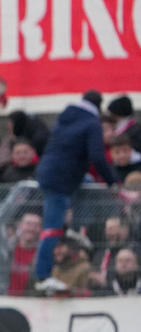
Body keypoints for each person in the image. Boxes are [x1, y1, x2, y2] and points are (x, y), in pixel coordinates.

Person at [35, 91, 121, 294]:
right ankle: (43, 275)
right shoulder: (91, 123)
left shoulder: (65, 118)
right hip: (62, 178)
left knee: (58, 219)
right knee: (52, 228)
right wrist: (113, 182)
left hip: (50, 171)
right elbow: (98, 157)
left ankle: (75, 231)